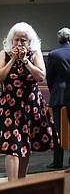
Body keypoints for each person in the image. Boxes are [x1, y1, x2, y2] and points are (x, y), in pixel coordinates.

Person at [0, 22, 58, 181]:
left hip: (31, 106)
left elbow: (41, 77)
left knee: (25, 146)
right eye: (16, 40)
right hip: (10, 106)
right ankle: (11, 185)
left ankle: (21, 183)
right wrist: (13, 60)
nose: (19, 43)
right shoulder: (4, 53)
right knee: (12, 145)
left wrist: (25, 61)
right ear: (11, 40)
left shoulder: (35, 53)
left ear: (30, 42)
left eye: (23, 40)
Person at [46, 27, 70, 169]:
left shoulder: (54, 54)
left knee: (58, 130)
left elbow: (50, 77)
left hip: (59, 95)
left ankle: (58, 161)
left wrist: (53, 89)